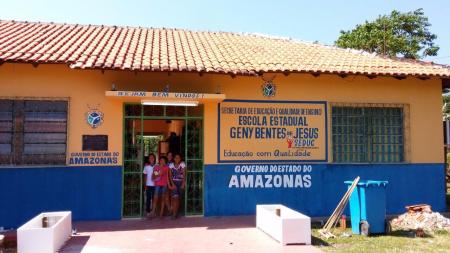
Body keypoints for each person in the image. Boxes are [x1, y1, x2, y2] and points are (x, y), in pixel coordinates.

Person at [168, 153, 186, 219]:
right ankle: (174, 214)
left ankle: (176, 212)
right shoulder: (171, 165)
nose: (177, 159)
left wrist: (183, 183)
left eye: (178, 157)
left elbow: (184, 175)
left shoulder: (182, 164)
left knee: (179, 198)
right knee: (175, 198)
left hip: (180, 182)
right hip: (174, 183)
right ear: (174, 158)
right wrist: (172, 184)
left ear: (180, 158)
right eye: (176, 157)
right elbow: (170, 176)